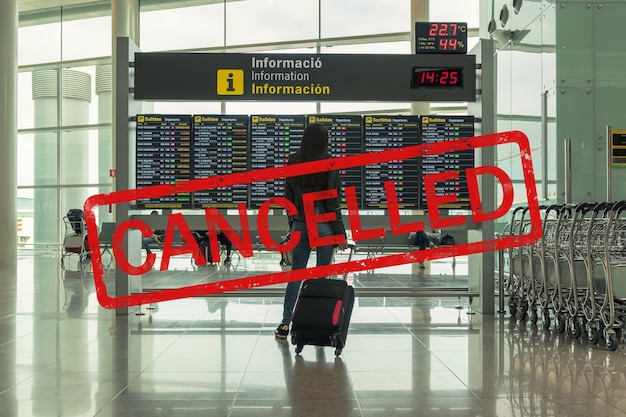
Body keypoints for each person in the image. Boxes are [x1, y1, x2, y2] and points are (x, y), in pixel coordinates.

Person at [275, 123, 349, 339]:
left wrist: (294, 226)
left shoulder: (293, 162)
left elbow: (288, 200)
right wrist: (340, 234)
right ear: (323, 141)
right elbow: (332, 202)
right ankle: (319, 323)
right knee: (321, 277)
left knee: (296, 275)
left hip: (300, 223)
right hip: (324, 225)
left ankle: (285, 324)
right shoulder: (329, 163)